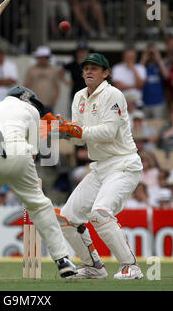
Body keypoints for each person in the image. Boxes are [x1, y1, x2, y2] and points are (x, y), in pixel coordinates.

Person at [0, 86, 77, 283]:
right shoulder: (31, 110)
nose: (36, 108)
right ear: (26, 99)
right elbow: (33, 153)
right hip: (15, 151)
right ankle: (63, 260)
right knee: (40, 205)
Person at [43, 53, 144, 279]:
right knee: (66, 217)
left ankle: (131, 267)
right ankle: (93, 267)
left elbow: (108, 133)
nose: (89, 71)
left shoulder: (114, 95)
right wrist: (63, 128)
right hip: (99, 167)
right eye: (86, 68)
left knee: (100, 213)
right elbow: (80, 139)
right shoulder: (79, 96)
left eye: (94, 68)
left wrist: (75, 130)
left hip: (123, 164)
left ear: (105, 73)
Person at [24, 46, 60, 115]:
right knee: (36, 124)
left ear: (48, 58)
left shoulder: (53, 70)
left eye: (46, 57)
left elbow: (57, 87)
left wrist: (54, 101)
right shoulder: (31, 70)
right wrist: (28, 101)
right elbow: (26, 86)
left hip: (49, 105)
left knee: (51, 124)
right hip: (34, 104)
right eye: (41, 57)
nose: (43, 59)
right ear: (37, 58)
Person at [140, 43, 170, 119]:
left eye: (153, 53)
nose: (151, 55)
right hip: (144, 102)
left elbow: (166, 76)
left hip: (158, 103)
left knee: (159, 126)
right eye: (149, 53)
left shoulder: (160, 65)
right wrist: (144, 59)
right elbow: (138, 75)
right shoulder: (142, 66)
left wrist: (159, 59)